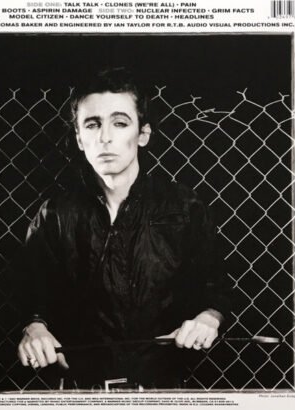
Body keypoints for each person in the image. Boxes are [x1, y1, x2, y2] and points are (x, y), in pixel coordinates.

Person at [17, 67, 231, 390]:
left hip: (166, 388)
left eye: (119, 123)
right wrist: (33, 328)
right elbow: (28, 295)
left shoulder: (184, 208)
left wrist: (208, 318)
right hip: (80, 390)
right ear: (79, 138)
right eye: (93, 124)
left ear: (143, 134)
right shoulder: (55, 214)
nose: (105, 137)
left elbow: (218, 287)